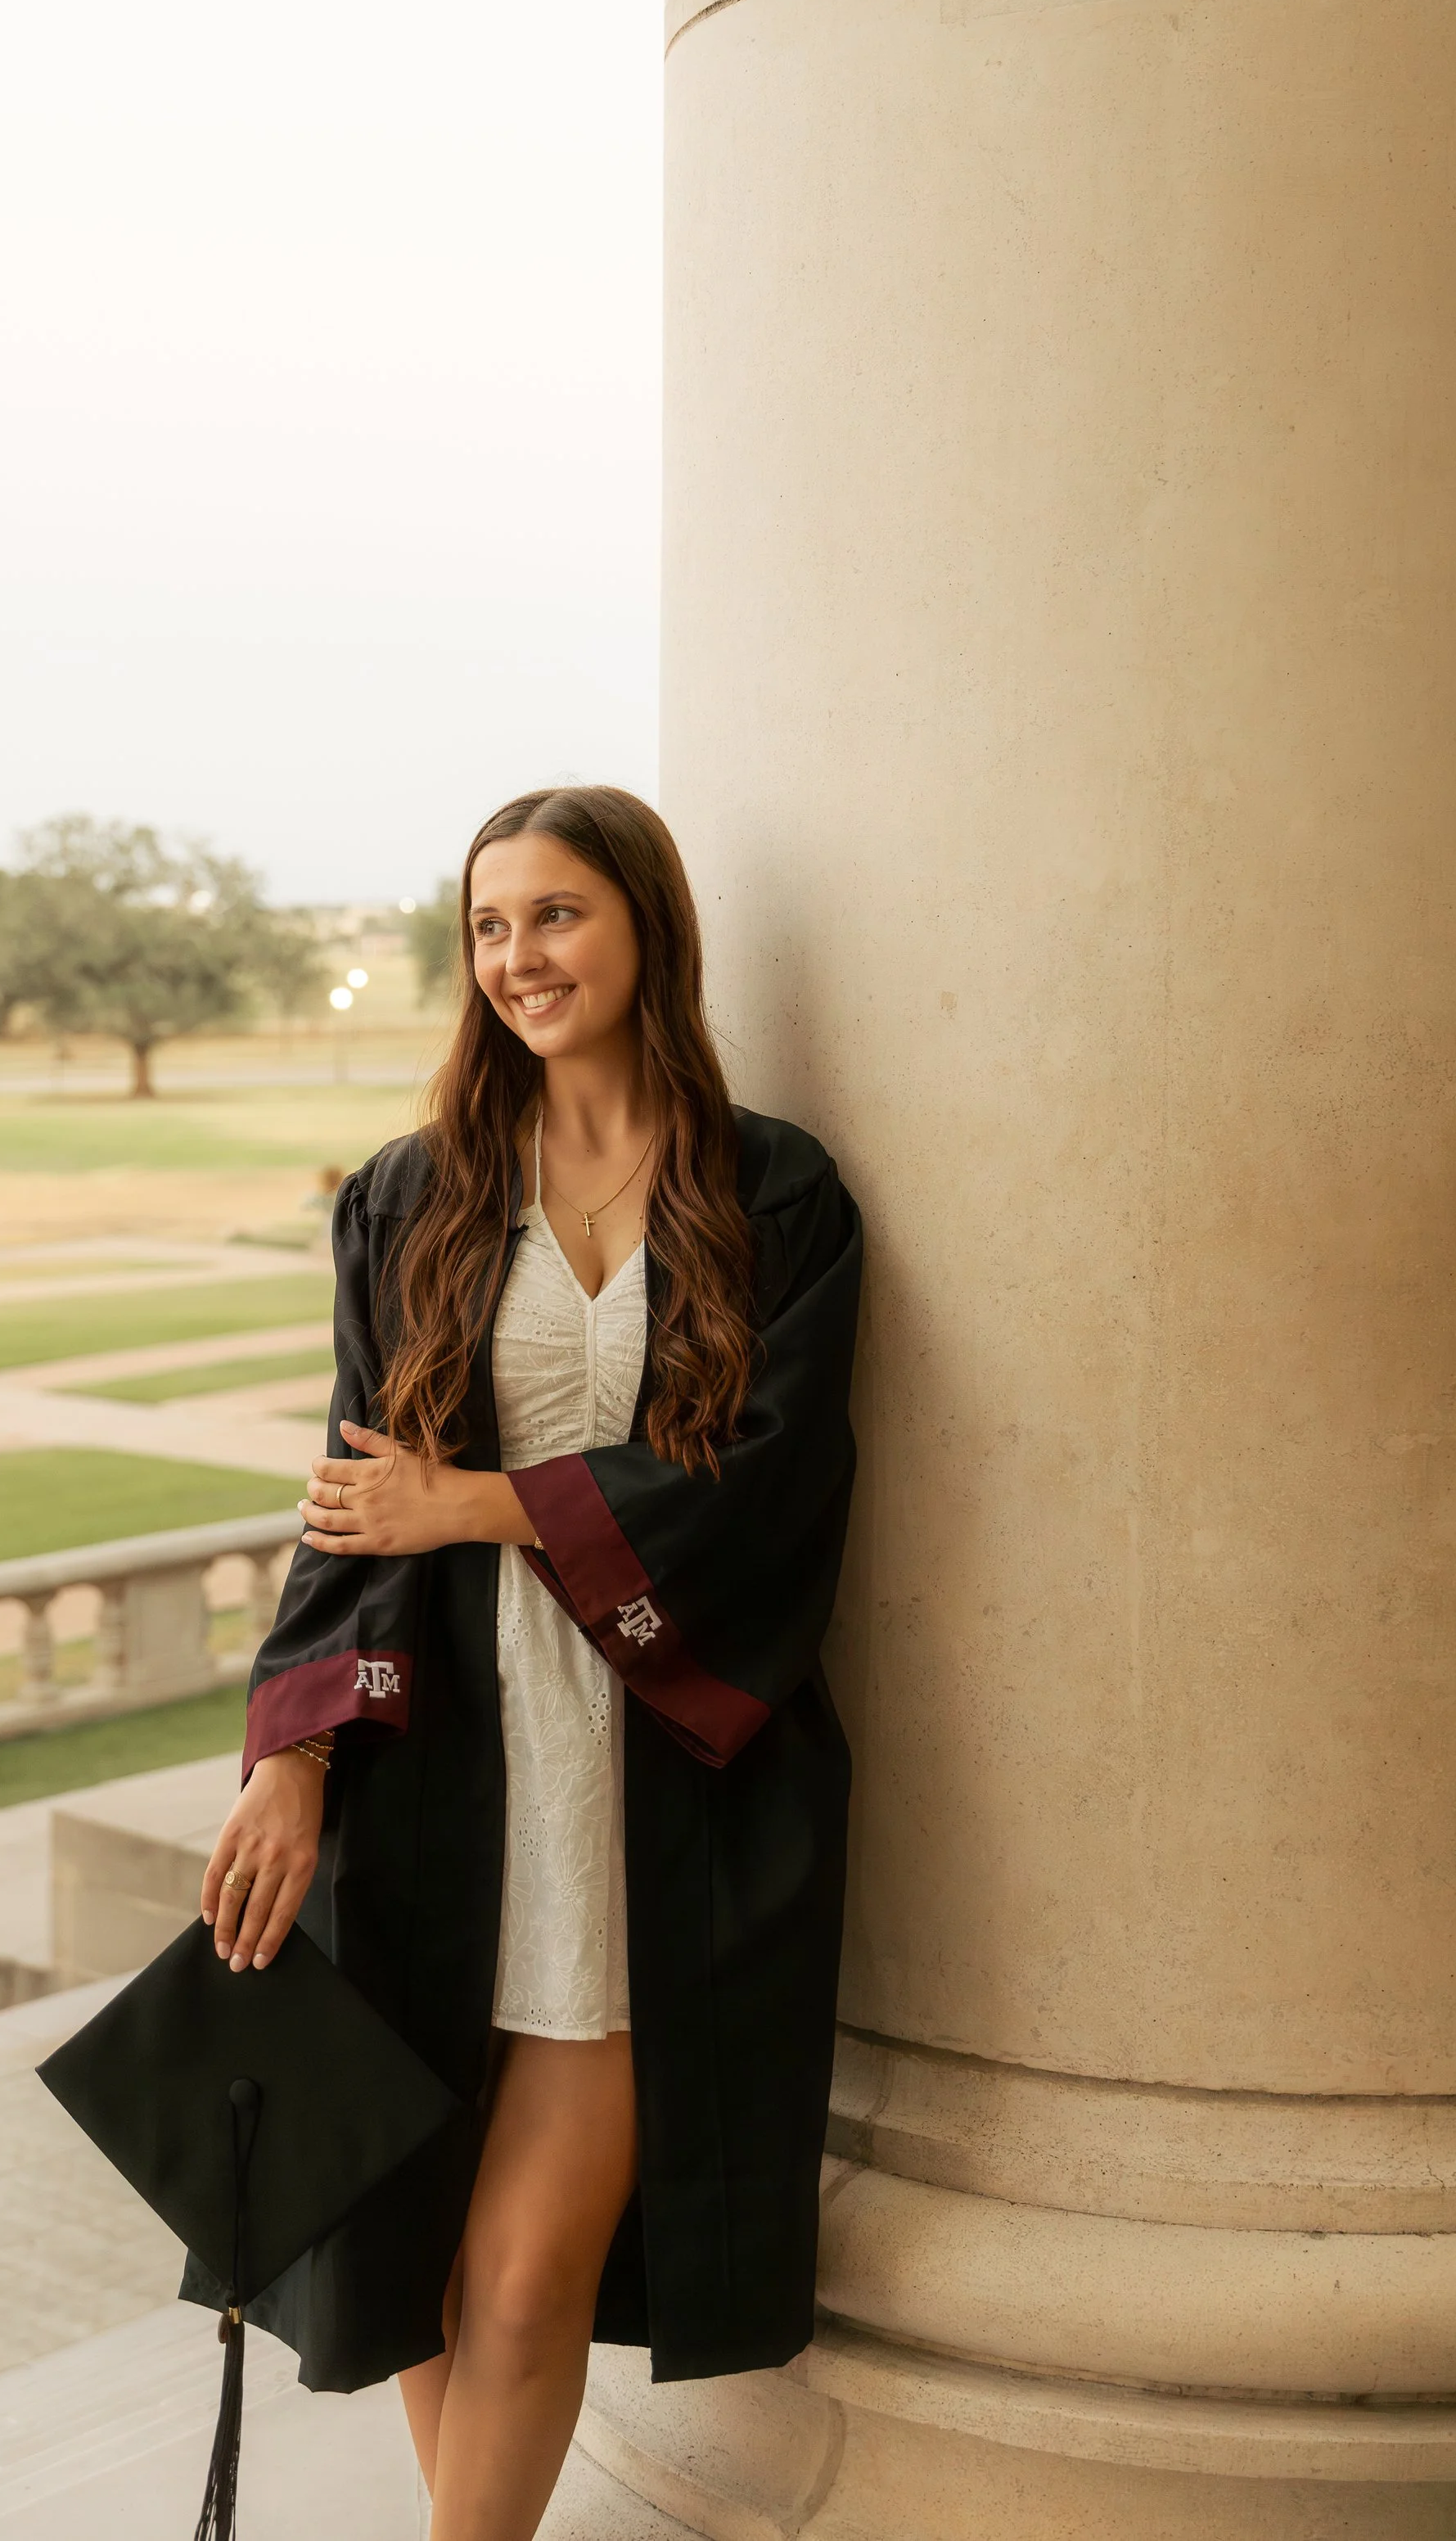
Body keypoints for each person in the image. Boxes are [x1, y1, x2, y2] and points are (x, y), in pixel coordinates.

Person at [192, 784, 863, 2541]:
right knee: (418, 2260)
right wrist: (290, 1757)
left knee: (512, 2285)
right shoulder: (413, 1196)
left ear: (644, 924)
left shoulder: (772, 1195)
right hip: (431, 1786)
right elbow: (354, 1511)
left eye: (553, 915)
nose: (515, 959)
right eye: (487, 926)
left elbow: (772, 1491)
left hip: (647, 1792)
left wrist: (476, 1501)